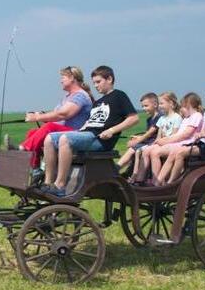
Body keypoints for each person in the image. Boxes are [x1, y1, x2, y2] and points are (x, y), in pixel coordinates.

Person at [42, 65, 139, 197]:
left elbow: (134, 118)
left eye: (98, 82)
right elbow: (90, 121)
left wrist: (112, 130)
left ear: (109, 79)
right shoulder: (98, 102)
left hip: (100, 139)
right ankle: (48, 183)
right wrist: (79, 131)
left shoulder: (119, 96)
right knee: (49, 138)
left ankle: (60, 185)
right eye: (94, 83)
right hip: (87, 134)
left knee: (65, 139)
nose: (96, 86)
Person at [4, 66, 93, 182]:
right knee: (33, 132)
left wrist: (37, 117)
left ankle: (23, 148)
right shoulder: (68, 97)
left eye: (63, 77)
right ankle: (35, 168)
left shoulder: (80, 95)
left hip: (75, 133)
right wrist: (41, 115)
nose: (61, 80)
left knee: (50, 127)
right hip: (64, 130)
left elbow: (64, 114)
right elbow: (56, 116)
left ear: (72, 78)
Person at [147, 92, 203, 185]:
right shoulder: (186, 118)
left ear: (190, 106)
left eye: (183, 107)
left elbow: (186, 135)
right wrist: (164, 140)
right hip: (180, 142)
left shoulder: (196, 116)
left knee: (158, 152)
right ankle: (158, 180)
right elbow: (179, 134)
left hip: (187, 143)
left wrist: (166, 141)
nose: (181, 109)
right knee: (154, 152)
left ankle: (160, 181)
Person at [129, 91, 182, 184]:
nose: (160, 106)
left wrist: (161, 142)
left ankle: (156, 180)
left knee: (153, 153)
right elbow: (158, 136)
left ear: (171, 103)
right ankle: (140, 179)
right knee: (144, 151)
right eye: (159, 103)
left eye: (162, 103)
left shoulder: (177, 118)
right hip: (161, 143)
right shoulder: (162, 119)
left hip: (170, 144)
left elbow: (174, 136)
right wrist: (154, 143)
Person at [117, 92, 160, 173]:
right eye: (142, 106)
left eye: (146, 106)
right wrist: (137, 137)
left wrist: (137, 141)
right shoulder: (149, 119)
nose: (144, 108)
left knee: (132, 149)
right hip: (149, 141)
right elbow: (148, 133)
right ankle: (127, 170)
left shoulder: (159, 117)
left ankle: (117, 168)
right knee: (133, 148)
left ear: (155, 105)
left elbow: (150, 133)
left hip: (154, 142)